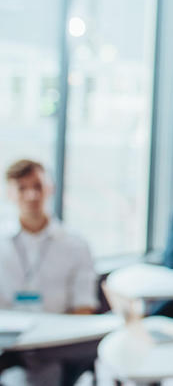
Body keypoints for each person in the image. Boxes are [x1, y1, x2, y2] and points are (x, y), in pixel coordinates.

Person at [0, 159, 98, 386]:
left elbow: (84, 308)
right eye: (22, 188)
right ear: (9, 193)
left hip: (55, 344)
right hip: (7, 343)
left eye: (37, 186)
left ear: (50, 188)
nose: (31, 196)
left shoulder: (76, 245)